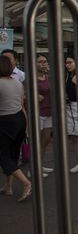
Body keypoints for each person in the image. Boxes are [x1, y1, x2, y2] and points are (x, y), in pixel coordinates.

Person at [0, 56, 32, 202]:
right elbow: (21, 104)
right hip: (19, 120)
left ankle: (26, 183)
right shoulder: (17, 82)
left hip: (5, 122)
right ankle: (8, 186)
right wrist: (25, 126)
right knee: (12, 154)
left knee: (4, 156)